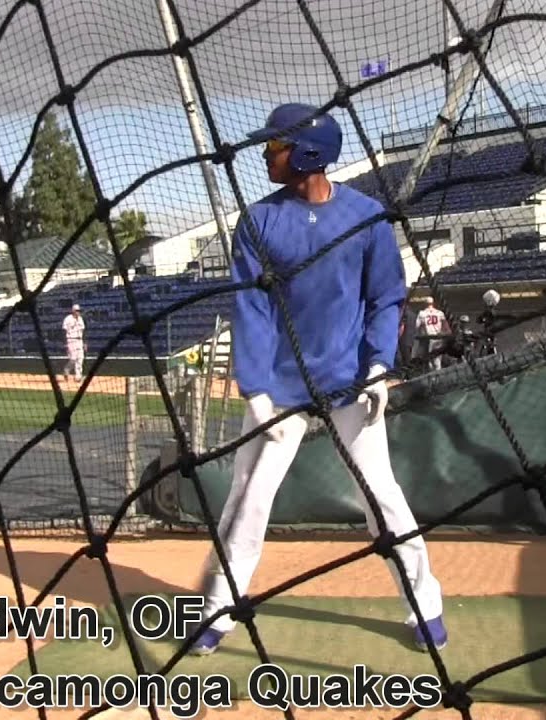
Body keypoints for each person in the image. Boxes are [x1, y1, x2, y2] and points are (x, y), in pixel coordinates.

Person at [191, 102, 446, 656]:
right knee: (249, 497)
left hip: (349, 382)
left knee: (380, 495)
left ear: (307, 153)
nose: (265, 155)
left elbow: (385, 299)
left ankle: (425, 603)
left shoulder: (368, 217)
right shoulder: (258, 222)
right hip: (279, 390)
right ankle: (218, 608)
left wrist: (379, 367)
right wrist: (255, 390)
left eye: (275, 146)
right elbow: (249, 309)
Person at [415, 299, 449, 371]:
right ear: (433, 303)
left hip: (427, 339)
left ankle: (431, 377)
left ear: (425, 303)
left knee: (428, 360)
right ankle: (438, 376)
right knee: (437, 360)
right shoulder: (440, 313)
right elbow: (446, 326)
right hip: (438, 338)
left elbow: (417, 326)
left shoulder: (422, 313)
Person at [61, 304, 85, 382]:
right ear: (73, 311)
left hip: (79, 340)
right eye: (77, 311)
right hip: (71, 340)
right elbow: (64, 330)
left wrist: (84, 342)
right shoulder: (68, 319)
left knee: (80, 358)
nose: (78, 312)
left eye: (79, 311)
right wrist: (65, 342)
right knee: (73, 358)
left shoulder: (80, 319)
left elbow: (83, 331)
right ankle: (66, 369)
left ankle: (78, 377)